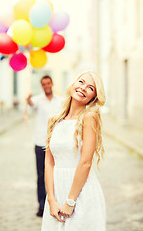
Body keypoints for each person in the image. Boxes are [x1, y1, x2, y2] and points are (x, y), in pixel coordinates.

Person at [41, 71, 106, 231]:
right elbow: (49, 162)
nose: (83, 88)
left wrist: (70, 201)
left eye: (90, 88)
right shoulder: (53, 120)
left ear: (93, 97)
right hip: (56, 194)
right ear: (73, 83)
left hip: (81, 194)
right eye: (81, 82)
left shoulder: (89, 117)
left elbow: (85, 162)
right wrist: (51, 200)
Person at [26, 75, 62, 217]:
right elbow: (31, 104)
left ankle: (55, 202)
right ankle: (41, 205)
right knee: (41, 176)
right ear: (41, 86)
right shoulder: (37, 100)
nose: (46, 85)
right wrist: (28, 100)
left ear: (52, 83)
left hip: (56, 143)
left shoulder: (60, 101)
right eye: (43, 84)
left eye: (48, 83)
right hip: (40, 143)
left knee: (56, 174)